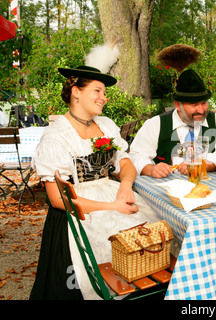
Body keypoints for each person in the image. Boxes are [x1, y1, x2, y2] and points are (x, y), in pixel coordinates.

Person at [30, 65, 164, 300]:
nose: (104, 97)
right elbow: (56, 198)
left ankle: (148, 285)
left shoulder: (106, 125)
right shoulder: (57, 136)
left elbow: (125, 162)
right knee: (115, 235)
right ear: (76, 91)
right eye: (98, 91)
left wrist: (125, 185)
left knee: (156, 224)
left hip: (112, 191)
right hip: (78, 207)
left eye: (104, 92)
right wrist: (113, 207)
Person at [129, 69, 216, 178]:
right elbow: (137, 156)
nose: (201, 110)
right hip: (165, 190)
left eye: (204, 103)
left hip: (210, 188)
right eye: (194, 104)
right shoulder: (155, 124)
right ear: (178, 105)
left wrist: (204, 165)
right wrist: (151, 169)